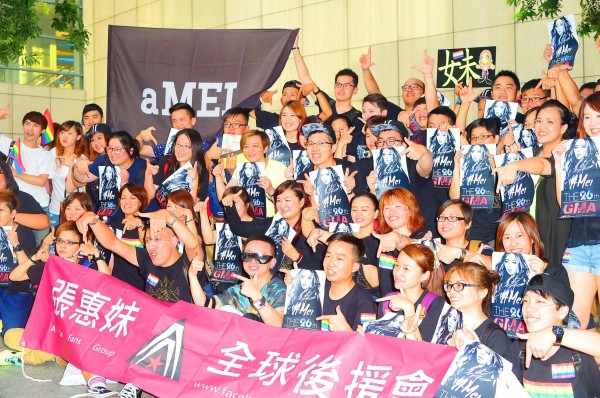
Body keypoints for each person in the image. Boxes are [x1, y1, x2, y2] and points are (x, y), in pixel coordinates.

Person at [7, 222, 114, 396]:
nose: (63, 246)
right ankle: (52, 355)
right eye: (60, 241)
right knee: (10, 335)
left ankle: (28, 357)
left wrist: (97, 255)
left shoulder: (88, 267)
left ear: (81, 246)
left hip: (78, 332)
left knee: (52, 348)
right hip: (49, 330)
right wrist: (34, 258)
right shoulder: (50, 266)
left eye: (69, 242)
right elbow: (15, 276)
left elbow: (108, 282)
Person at [495, 100, 577, 266]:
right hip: (524, 239)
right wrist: (509, 159)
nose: (541, 126)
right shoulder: (527, 154)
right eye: (538, 121)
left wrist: (515, 165)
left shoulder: (570, 155)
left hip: (557, 238)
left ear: (563, 127)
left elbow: (544, 165)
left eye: (550, 122)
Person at [552, 92, 600, 328]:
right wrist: (561, 165)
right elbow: (566, 204)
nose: (593, 123)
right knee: (574, 324)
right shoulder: (577, 154)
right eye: (588, 117)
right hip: (578, 246)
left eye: (599, 116)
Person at [516, 273, 600, 396]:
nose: (529, 308)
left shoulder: (578, 351)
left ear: (562, 311)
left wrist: (555, 333)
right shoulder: (518, 349)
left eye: (539, 301)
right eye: (525, 300)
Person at [223, 181, 324, 270]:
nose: (282, 205)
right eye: (278, 200)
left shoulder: (312, 230)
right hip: (271, 284)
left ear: (301, 202)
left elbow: (322, 266)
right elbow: (238, 228)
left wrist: (297, 257)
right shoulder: (272, 224)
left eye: (287, 200)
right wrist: (230, 205)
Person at [189, 235, 286, 327]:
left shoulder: (279, 288)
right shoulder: (240, 289)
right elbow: (206, 304)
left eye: (260, 257)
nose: (253, 261)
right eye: (248, 255)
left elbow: (278, 325)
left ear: (272, 262)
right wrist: (192, 275)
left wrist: (257, 297)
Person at [445, 262, 521, 380]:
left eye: (460, 285)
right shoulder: (448, 326)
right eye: (450, 285)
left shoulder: (495, 336)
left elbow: (490, 380)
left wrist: (474, 346)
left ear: (482, 292)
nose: (451, 291)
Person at [371, 244, 445, 341]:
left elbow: (426, 351)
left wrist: (409, 309)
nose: (397, 273)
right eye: (397, 265)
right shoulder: (387, 300)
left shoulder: (436, 304)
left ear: (424, 276)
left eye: (406, 269)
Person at [73, 131, 146, 220]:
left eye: (117, 149)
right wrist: (78, 166)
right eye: (109, 149)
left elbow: (145, 204)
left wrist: (125, 186)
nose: (112, 153)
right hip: (105, 218)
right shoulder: (105, 160)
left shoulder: (142, 168)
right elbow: (82, 179)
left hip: (129, 220)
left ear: (130, 151)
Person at [372, 188, 428, 297]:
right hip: (387, 309)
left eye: (398, 206)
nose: (391, 211)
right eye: (387, 207)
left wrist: (398, 239)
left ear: (411, 210)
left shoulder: (424, 238)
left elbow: (415, 248)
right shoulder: (379, 240)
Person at [315, 233, 377, 331]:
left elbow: (367, 343)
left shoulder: (365, 301)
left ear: (355, 267)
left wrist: (346, 331)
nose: (330, 263)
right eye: (327, 256)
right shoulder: (314, 288)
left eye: (339, 258)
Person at [0, 190, 36, 342]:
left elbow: (28, 268)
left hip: (17, 291)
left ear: (13, 213)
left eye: (1, 210)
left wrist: (16, 244)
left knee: (12, 334)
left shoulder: (24, 233)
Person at [0, 111, 53, 214]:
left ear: (42, 130)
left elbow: (41, 181)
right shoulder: (11, 146)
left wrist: (17, 173)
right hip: (14, 204)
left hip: (39, 204)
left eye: (35, 125)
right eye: (27, 123)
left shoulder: (45, 155)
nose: (30, 128)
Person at [144, 128, 208, 211]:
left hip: (184, 219)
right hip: (163, 216)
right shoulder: (165, 162)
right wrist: (148, 174)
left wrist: (195, 180)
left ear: (195, 148)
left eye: (187, 146)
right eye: (178, 144)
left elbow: (191, 207)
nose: (180, 149)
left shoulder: (202, 172)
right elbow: (150, 195)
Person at [435, 199, 493, 272]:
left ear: (468, 224)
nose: (445, 222)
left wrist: (459, 253)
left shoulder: (478, 247)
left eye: (452, 218)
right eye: (442, 217)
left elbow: (499, 268)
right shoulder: (433, 249)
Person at [48, 121, 87, 227]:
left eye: (70, 133)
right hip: (56, 208)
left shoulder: (82, 159)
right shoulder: (53, 153)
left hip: (76, 211)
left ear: (78, 137)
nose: (65, 136)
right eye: (62, 132)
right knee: (55, 241)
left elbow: (70, 189)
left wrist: (72, 166)